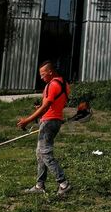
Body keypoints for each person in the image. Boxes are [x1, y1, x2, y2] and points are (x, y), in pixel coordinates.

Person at [17, 61, 71, 196]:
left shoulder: (51, 85)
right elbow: (55, 104)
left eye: (43, 74)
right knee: (40, 153)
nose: (41, 77)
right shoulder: (64, 84)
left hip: (49, 122)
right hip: (55, 120)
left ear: (50, 72)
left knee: (45, 153)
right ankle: (39, 185)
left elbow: (46, 106)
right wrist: (41, 108)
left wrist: (27, 121)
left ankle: (63, 183)